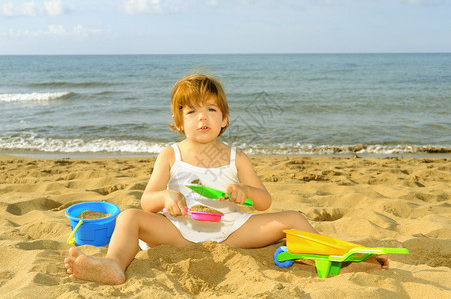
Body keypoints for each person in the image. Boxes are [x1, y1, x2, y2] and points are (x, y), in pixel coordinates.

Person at [64, 73, 387, 285]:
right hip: (180, 231)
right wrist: (166, 197)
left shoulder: (236, 157)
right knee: (130, 215)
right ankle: (114, 265)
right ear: (178, 122)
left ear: (224, 119)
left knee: (293, 217)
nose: (202, 117)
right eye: (191, 112)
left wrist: (244, 191)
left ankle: (338, 254)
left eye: (210, 110)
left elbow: (263, 203)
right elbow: (148, 201)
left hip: (231, 230)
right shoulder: (170, 155)